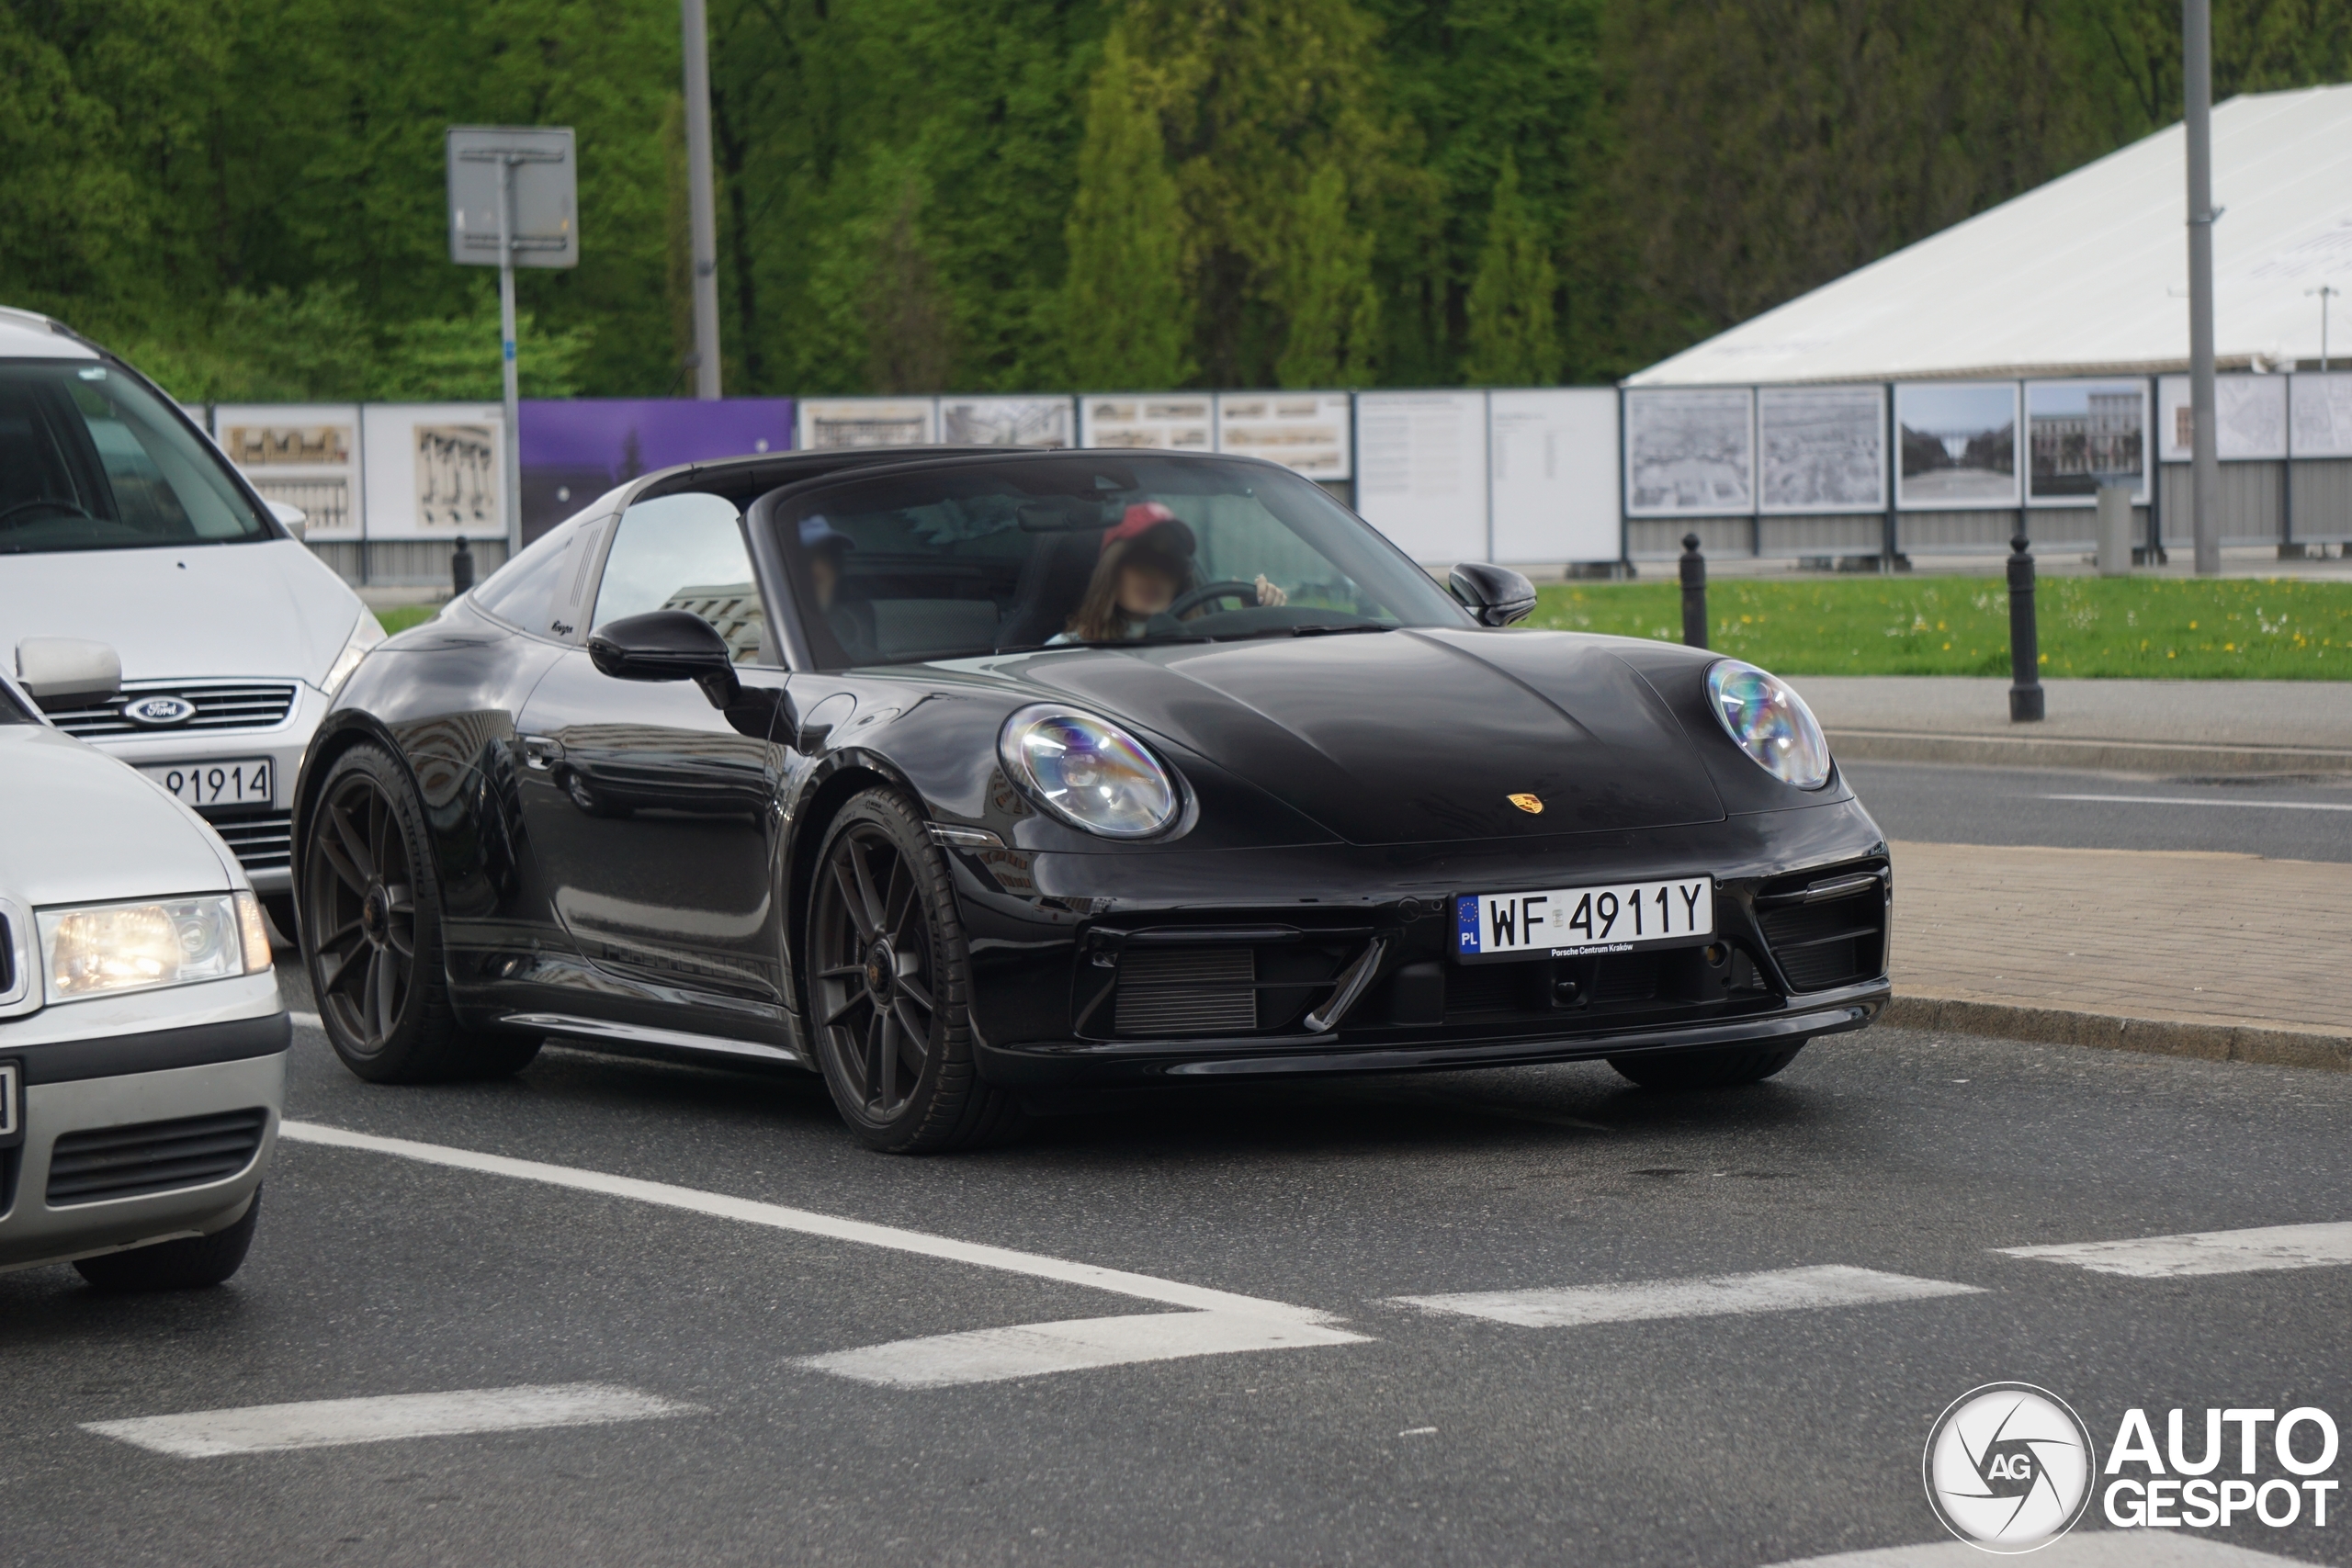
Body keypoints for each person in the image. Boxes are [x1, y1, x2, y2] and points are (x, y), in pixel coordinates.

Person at [1051, 502, 1285, 644]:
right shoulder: (1064, 653)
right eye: (1142, 559)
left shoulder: (1206, 644)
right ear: (1112, 570)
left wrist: (1261, 624)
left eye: (1169, 563)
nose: (1155, 575)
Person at [802, 515, 876, 661]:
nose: (819, 570)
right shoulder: (773, 642)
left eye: (830, 558)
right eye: (805, 558)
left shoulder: (852, 632)